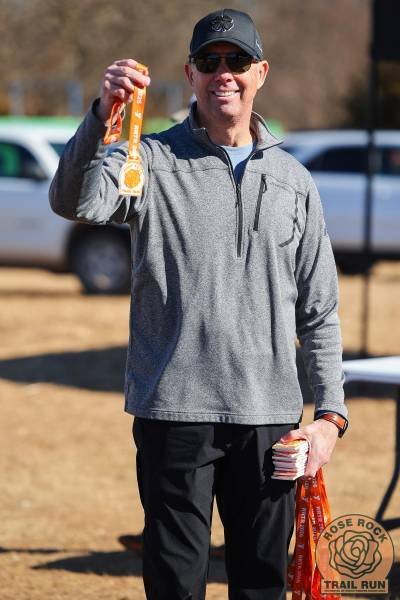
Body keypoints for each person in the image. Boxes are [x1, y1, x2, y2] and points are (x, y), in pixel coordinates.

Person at [50, 8, 348, 600]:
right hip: (174, 412)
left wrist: (331, 417)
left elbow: (320, 309)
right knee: (175, 587)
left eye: (237, 61)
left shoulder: (293, 179)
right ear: (190, 74)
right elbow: (73, 201)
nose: (223, 73)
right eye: (209, 62)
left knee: (261, 586)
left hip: (268, 419)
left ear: (261, 72)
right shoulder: (148, 159)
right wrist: (101, 115)